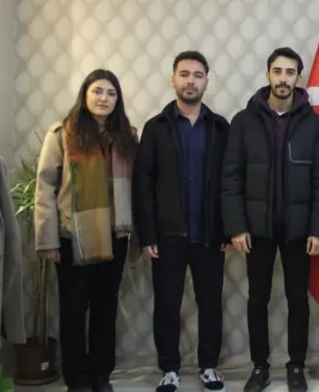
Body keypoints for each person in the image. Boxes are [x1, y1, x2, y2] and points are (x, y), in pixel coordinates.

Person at [221, 47, 319, 392]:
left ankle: (296, 366)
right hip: (257, 230)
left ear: (298, 77)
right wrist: (237, 226)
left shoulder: (314, 123)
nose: (283, 78)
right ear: (268, 74)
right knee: (258, 299)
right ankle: (260, 367)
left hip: (300, 231)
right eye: (277, 71)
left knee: (298, 300)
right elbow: (231, 178)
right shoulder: (244, 121)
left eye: (290, 72)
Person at [34, 69, 138, 392]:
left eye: (111, 93)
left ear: (118, 100)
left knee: (106, 310)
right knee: (74, 311)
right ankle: (77, 380)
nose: (104, 98)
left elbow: (137, 186)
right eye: (97, 91)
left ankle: (101, 376)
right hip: (73, 238)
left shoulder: (127, 136)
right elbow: (44, 188)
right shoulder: (61, 135)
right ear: (85, 95)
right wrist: (47, 241)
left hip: (115, 237)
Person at [132, 51, 231, 392]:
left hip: (209, 235)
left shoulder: (220, 127)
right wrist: (147, 234)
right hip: (167, 235)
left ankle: (209, 366)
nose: (191, 81)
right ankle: (169, 369)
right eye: (185, 74)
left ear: (207, 82)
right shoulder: (156, 128)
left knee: (211, 304)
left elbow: (229, 182)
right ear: (173, 79)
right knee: (167, 305)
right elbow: (143, 184)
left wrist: (228, 228)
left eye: (198, 75)